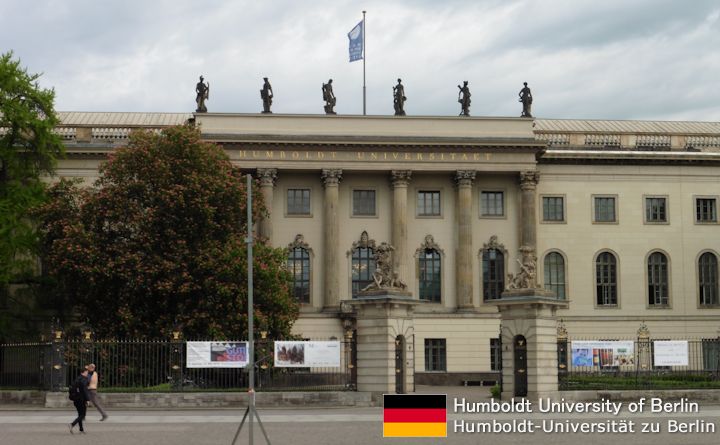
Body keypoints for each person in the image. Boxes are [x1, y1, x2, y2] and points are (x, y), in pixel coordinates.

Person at [69, 368, 91, 434]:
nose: (87, 374)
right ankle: (72, 424)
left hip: (76, 399)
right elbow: (85, 391)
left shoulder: (77, 379)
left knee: (80, 414)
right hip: (81, 399)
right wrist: (87, 400)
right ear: (82, 373)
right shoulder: (84, 379)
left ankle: (81, 429)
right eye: (86, 372)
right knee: (83, 415)